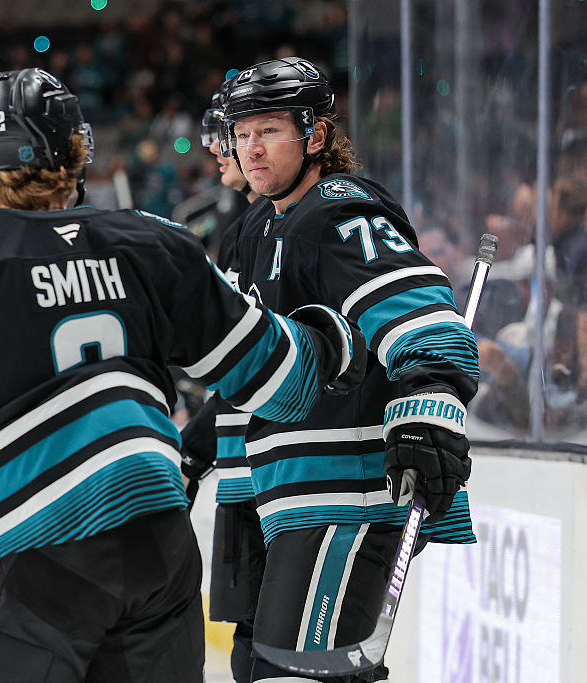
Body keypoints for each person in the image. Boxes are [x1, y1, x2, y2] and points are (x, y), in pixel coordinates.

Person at [0, 68, 365, 683]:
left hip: (35, 552)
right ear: (76, 149)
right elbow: (287, 381)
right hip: (159, 544)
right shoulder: (154, 241)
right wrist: (334, 338)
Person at [217, 58, 480, 682]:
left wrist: (427, 411)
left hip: (350, 493)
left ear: (315, 136)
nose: (251, 148)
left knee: (296, 674)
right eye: (242, 131)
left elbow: (423, 317)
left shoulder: (337, 211)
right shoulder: (266, 224)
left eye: (270, 130)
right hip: (300, 493)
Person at [179, 80, 273, 683]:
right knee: (247, 647)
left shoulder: (285, 224)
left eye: (229, 136)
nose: (218, 150)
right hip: (244, 471)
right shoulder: (244, 229)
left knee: (270, 655)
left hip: (278, 478)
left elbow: (266, 369)